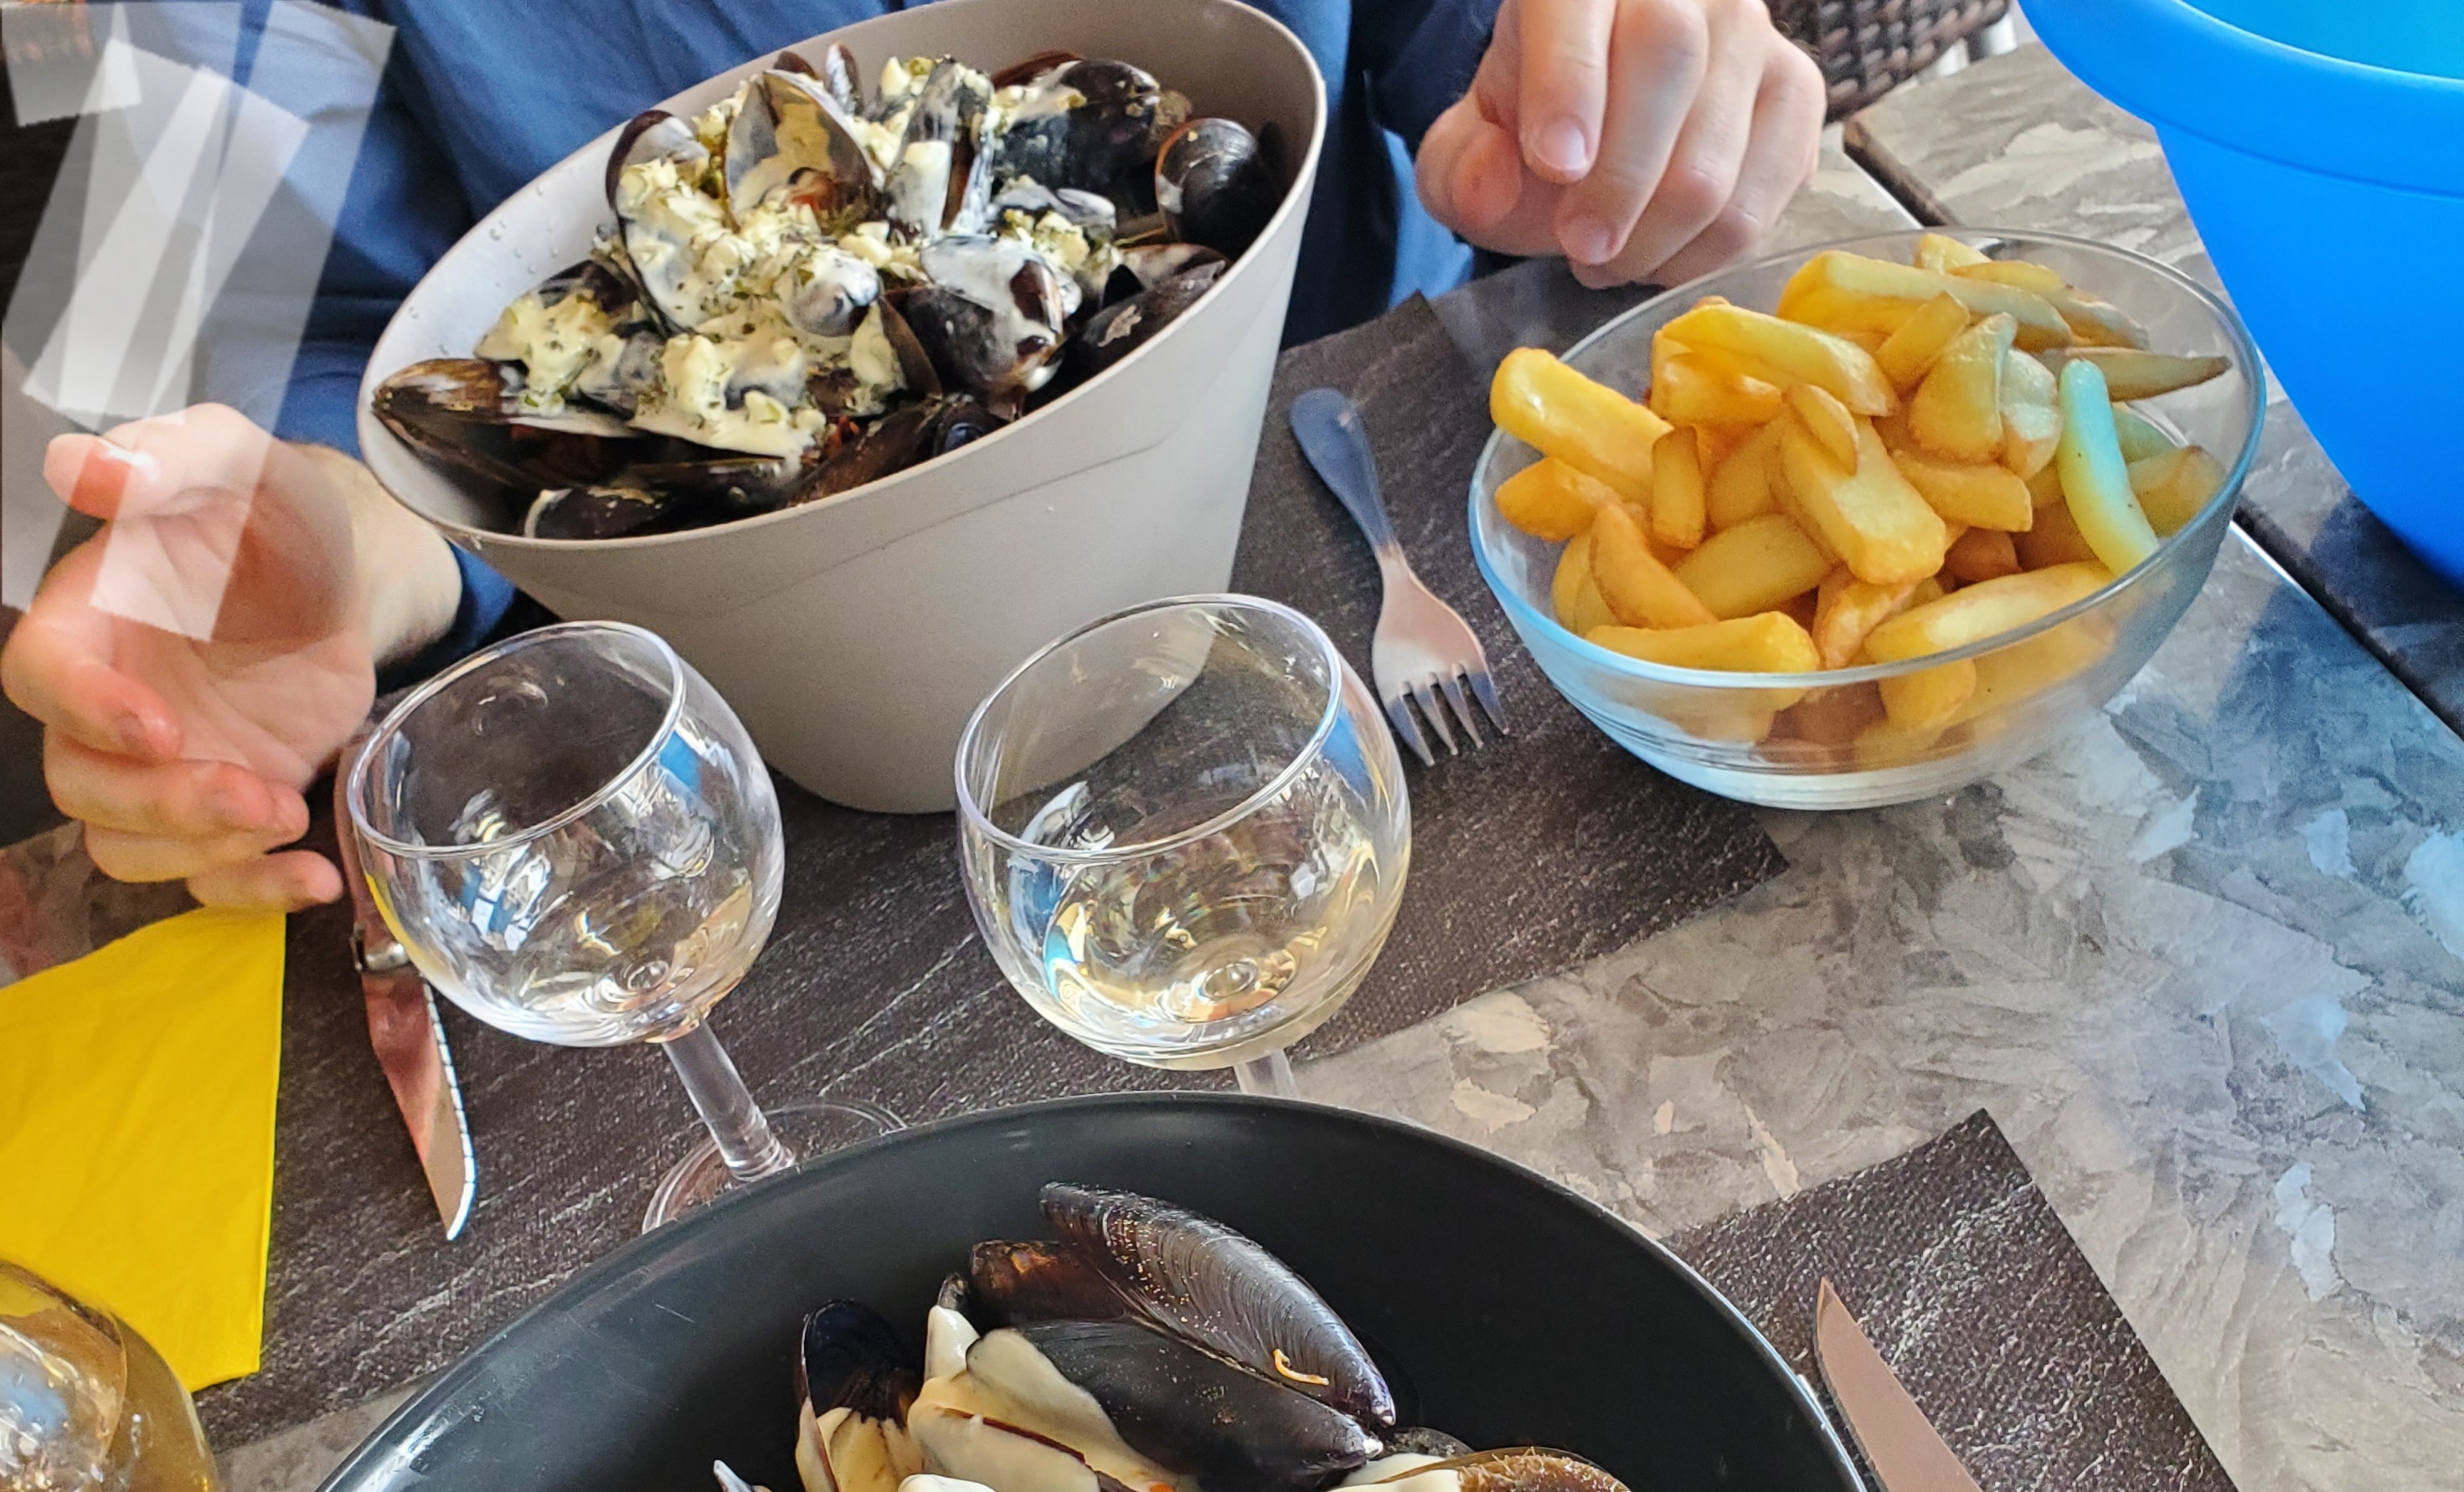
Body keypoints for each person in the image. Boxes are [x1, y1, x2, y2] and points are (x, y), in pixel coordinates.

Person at [3, 0, 1822, 911]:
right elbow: (238, 392)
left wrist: (1623, 98)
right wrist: (326, 549)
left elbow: (1488, 48)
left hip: (1381, 550)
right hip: (747, 773)